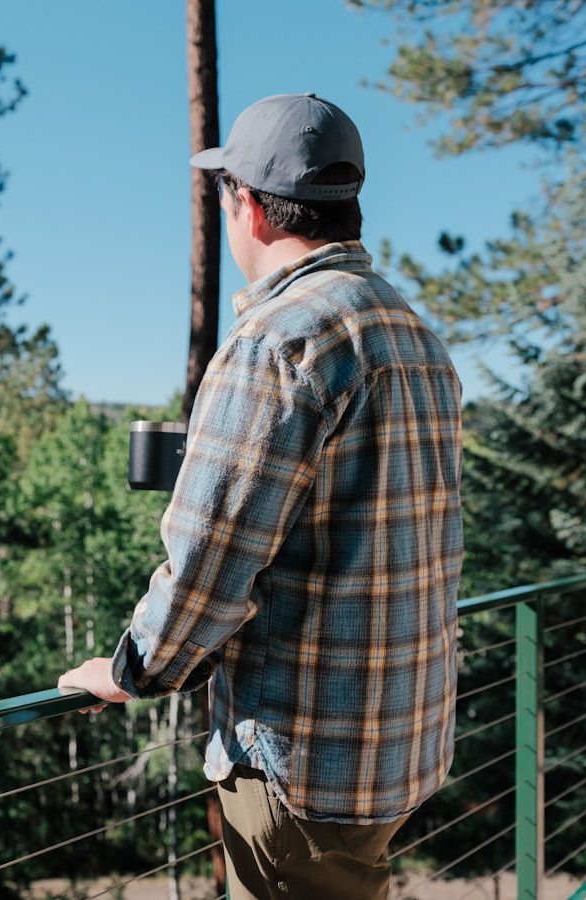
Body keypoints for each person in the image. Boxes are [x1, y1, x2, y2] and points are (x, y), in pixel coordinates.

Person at [57, 92, 464, 900]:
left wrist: (130, 670)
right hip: (400, 740)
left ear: (247, 205)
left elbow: (209, 564)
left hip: (303, 761)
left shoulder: (278, 342)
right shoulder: (412, 332)